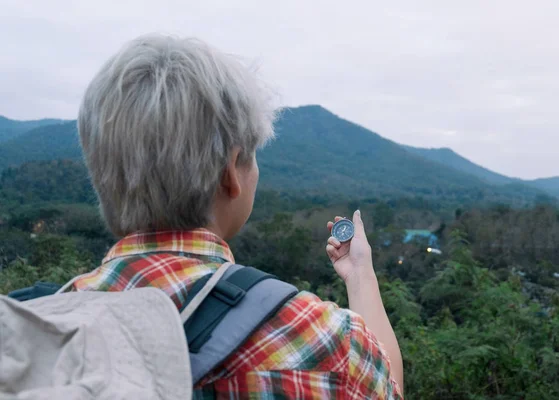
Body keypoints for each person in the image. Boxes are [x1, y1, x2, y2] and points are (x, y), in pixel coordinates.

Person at [73, 33, 403, 398]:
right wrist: (360, 277)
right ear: (231, 172)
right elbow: (385, 386)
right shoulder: (322, 344)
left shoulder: (31, 328)